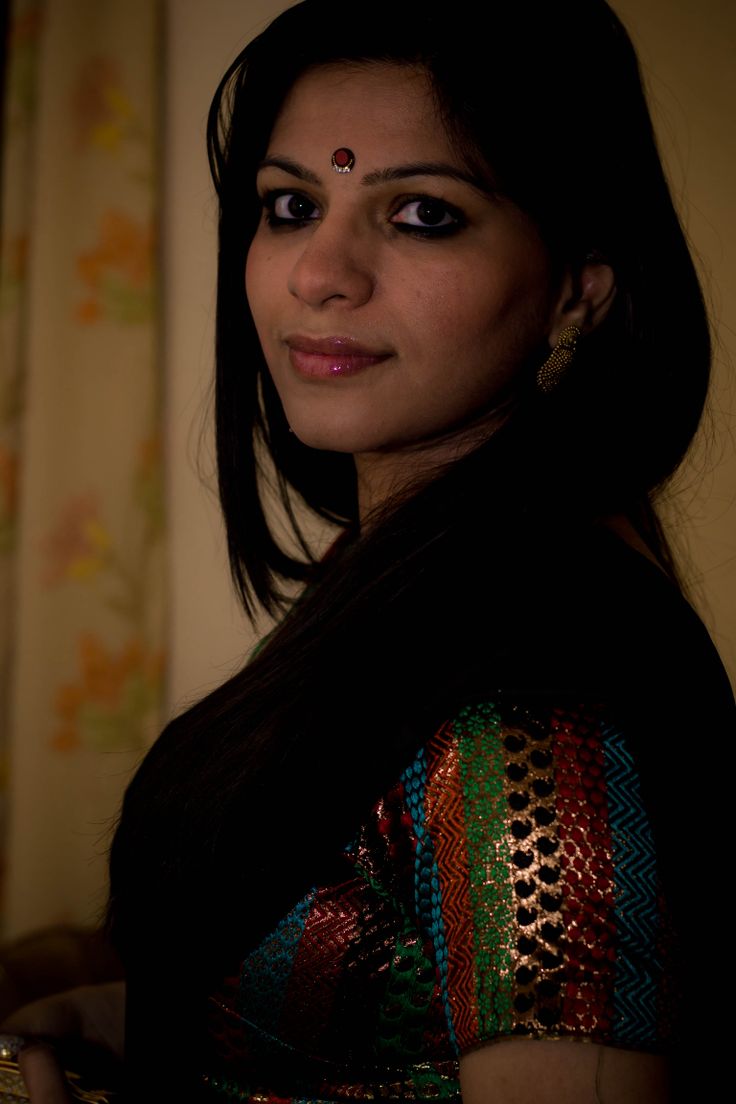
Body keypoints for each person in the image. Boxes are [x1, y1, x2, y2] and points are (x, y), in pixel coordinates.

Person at [3, 0, 733, 1100]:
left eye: (422, 215)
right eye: (291, 204)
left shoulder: (536, 696)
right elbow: (364, 994)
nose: (319, 274)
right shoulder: (407, 581)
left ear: (577, 284)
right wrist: (128, 1022)